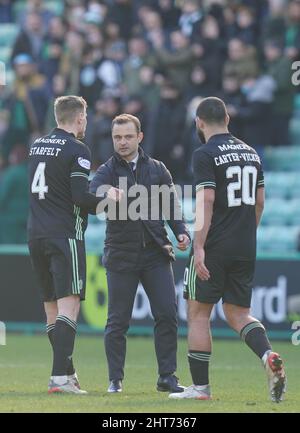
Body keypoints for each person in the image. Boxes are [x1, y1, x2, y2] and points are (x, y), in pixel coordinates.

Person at [169, 97, 286, 403]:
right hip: (245, 244)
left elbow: (206, 200)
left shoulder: (204, 153)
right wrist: (247, 234)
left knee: (198, 314)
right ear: (228, 119)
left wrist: (199, 246)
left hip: (215, 244)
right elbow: (260, 203)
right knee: (239, 314)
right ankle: (268, 355)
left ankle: (200, 389)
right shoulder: (251, 152)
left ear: (199, 122)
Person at [90, 113, 190, 394]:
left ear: (140, 137)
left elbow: (172, 207)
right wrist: (105, 194)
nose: (122, 142)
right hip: (121, 255)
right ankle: (115, 380)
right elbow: (89, 194)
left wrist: (181, 232)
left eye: (127, 137)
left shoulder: (157, 169)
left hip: (156, 253)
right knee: (118, 321)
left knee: (167, 315)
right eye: (117, 138)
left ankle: (167, 377)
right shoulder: (107, 171)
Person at [28, 95, 102, 394]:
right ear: (80, 117)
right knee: (68, 308)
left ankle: (67, 374)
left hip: (35, 234)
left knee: (51, 311)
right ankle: (59, 378)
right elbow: (81, 198)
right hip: (64, 235)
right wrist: (111, 201)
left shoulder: (36, 146)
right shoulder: (77, 149)